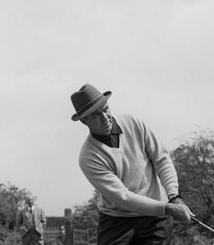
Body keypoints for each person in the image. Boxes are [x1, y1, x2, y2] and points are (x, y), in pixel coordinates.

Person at [70, 83, 193, 245]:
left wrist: (174, 196)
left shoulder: (133, 123)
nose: (105, 118)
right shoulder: (88, 157)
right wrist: (167, 208)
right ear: (84, 121)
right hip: (117, 221)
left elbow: (161, 158)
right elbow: (124, 197)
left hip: (156, 217)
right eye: (95, 115)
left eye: (105, 109)